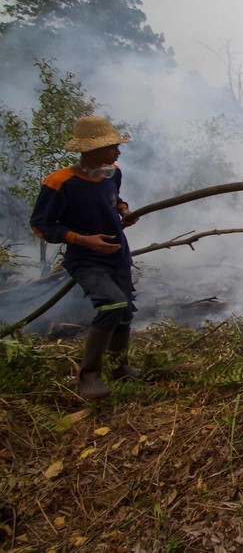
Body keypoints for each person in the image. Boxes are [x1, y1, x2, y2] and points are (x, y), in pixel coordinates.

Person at [30, 115, 138, 400]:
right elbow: (41, 225)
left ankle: (118, 366)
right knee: (112, 305)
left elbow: (115, 197)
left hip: (118, 255)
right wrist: (82, 239)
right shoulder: (59, 183)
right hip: (86, 259)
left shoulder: (112, 172)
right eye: (111, 146)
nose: (118, 151)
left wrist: (124, 211)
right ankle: (89, 374)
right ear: (91, 150)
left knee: (125, 310)